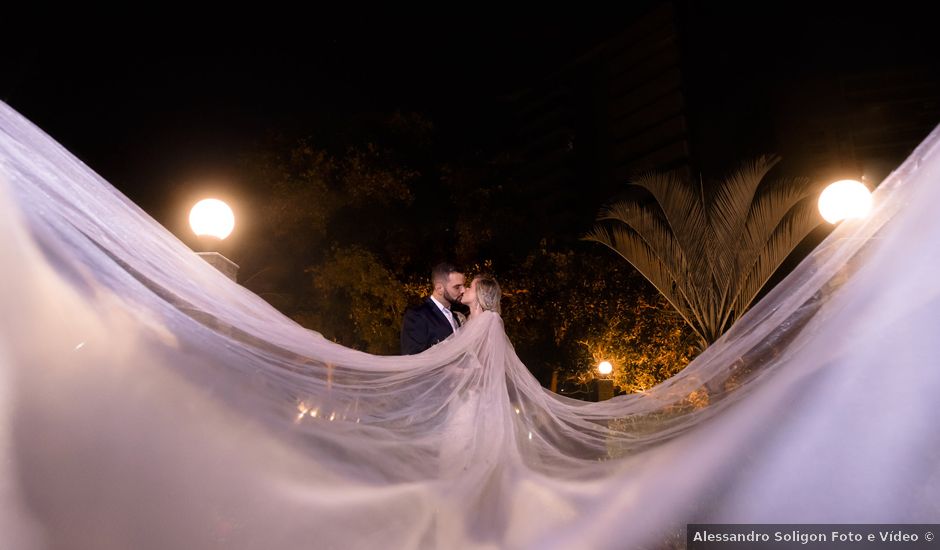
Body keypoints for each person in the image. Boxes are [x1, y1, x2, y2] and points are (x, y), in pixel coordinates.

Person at [400, 262, 466, 355]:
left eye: (464, 285)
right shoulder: (416, 316)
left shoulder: (455, 315)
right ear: (439, 288)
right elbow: (412, 360)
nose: (463, 290)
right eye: (457, 287)